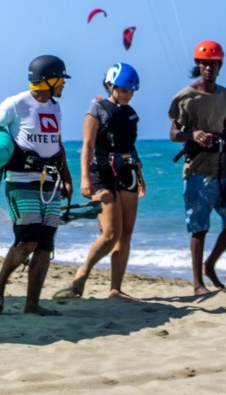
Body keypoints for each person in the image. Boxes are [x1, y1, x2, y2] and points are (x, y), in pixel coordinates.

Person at [0, 55, 73, 316]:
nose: (64, 85)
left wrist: (67, 178)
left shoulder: (55, 107)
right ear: (48, 80)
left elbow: (56, 144)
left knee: (45, 244)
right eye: (61, 79)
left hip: (50, 182)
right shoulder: (16, 103)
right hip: (21, 180)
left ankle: (32, 304)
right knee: (27, 242)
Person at [56, 62, 145, 300]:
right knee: (110, 233)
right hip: (101, 174)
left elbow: (130, 145)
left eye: (131, 90)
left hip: (128, 173)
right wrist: (84, 177)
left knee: (126, 233)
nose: (128, 94)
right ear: (111, 86)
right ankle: (82, 274)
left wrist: (140, 173)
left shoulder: (131, 114)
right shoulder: (97, 109)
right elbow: (88, 145)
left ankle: (115, 288)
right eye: (124, 89)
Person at [169, 40, 226, 295]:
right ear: (197, 64)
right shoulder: (185, 97)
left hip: (223, 169)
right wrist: (193, 135)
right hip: (196, 170)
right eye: (204, 63)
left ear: (220, 65)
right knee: (199, 227)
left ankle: (210, 265)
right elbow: (173, 133)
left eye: (214, 63)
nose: (209, 68)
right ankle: (198, 284)